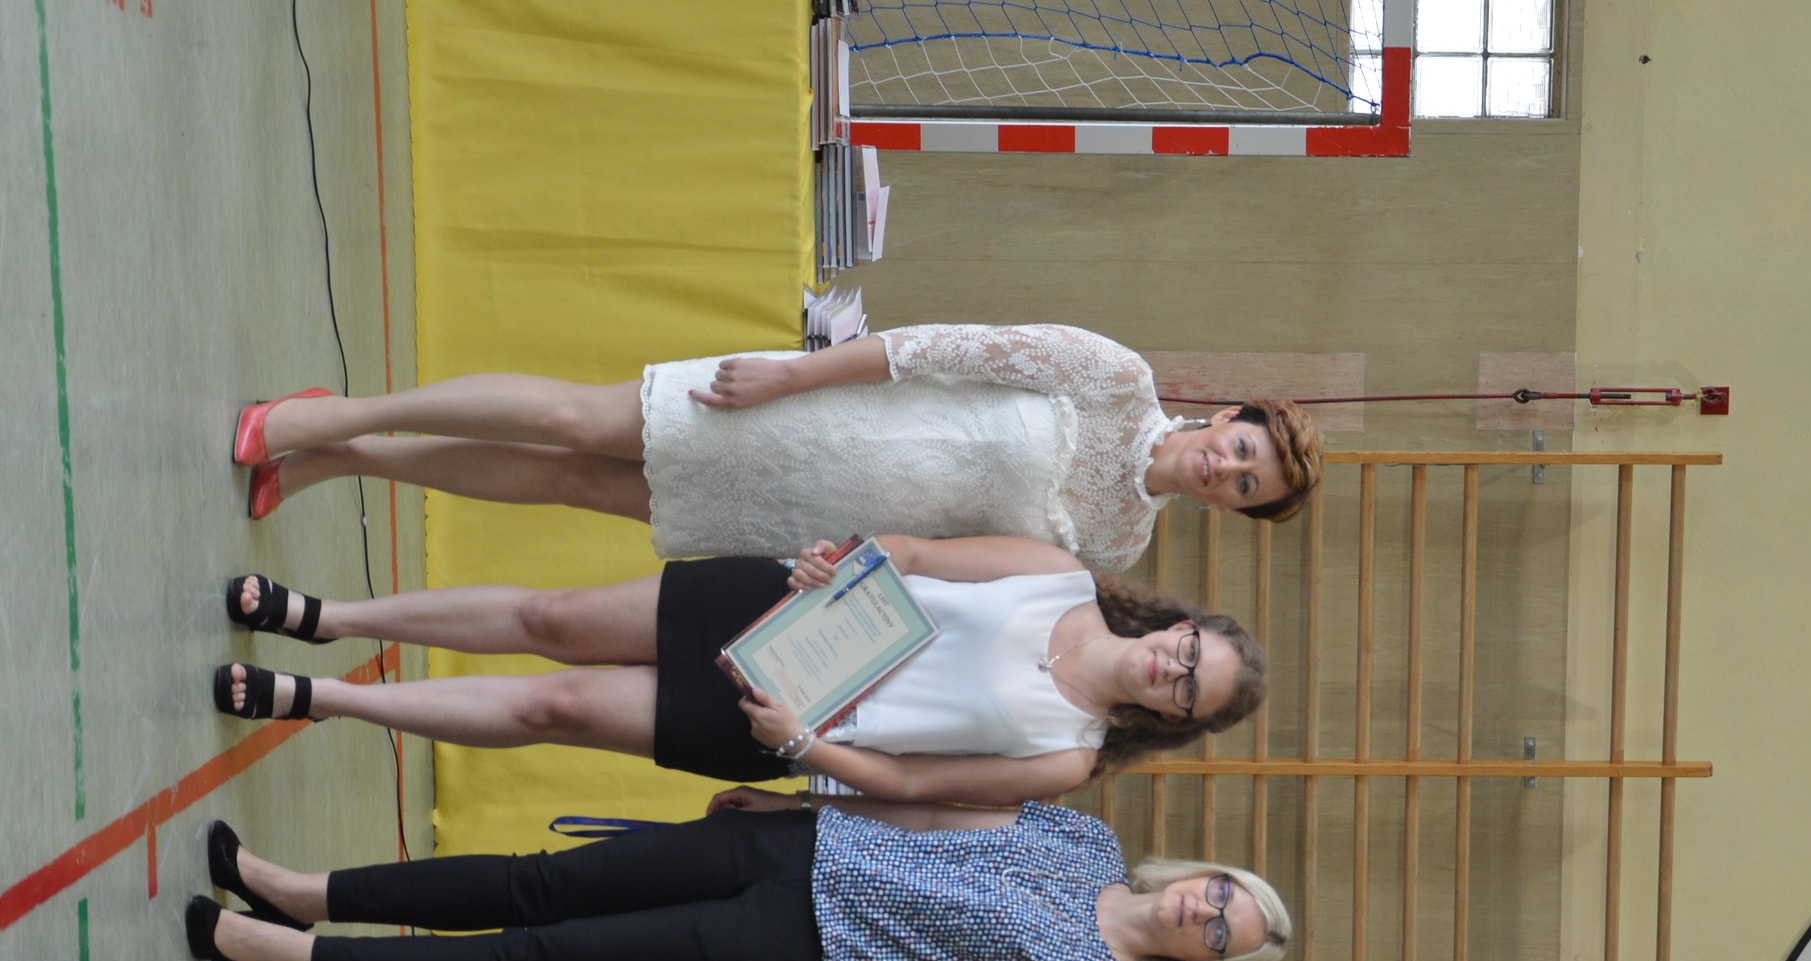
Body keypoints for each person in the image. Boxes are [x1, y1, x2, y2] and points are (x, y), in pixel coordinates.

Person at [185, 792, 1290, 961]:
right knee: (537, 883)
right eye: (1220, 896)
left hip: (792, 954)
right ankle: (304, 891)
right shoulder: (1088, 839)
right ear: (1206, 874)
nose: (1202, 914)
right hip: (796, 848)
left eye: (1219, 936)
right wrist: (803, 799)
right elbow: (937, 810)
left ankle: (292, 956)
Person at [210, 534, 1263, 801]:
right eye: (1189, 651)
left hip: (780, 717)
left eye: (1188, 689)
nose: (1171, 669)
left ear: (1175, 720)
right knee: (550, 616)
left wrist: (802, 747)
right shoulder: (1055, 575)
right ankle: (327, 618)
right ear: (1181, 624)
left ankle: (323, 699)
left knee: (552, 706)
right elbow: (916, 554)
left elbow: (906, 786)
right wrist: (836, 563)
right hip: (781, 609)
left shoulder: (1067, 756)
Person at [232, 325, 1326, 569]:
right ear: (1226, 418)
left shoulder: (1118, 543)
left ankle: (344, 464)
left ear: (1233, 509)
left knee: (566, 482)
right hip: (803, 411)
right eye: (1244, 449)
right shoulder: (1117, 377)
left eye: (1248, 488)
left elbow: (959, 564)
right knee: (572, 420)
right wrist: (793, 373)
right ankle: (334, 416)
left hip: (800, 518)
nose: (1229, 471)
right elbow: (939, 346)